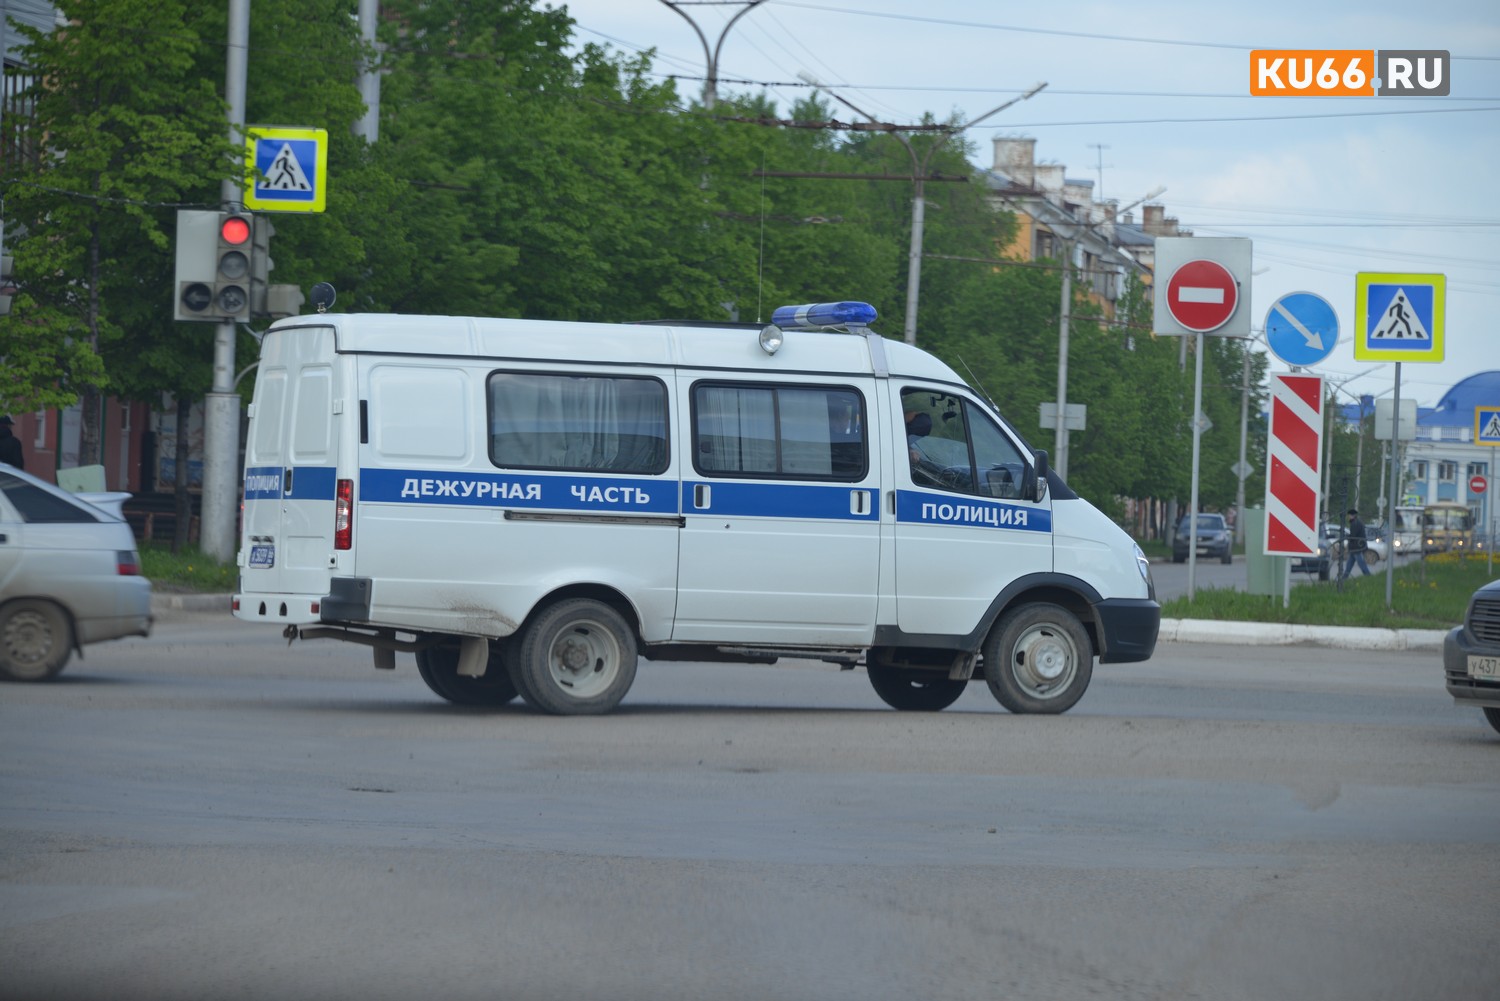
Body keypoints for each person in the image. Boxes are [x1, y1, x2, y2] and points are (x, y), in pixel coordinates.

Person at [1340, 507, 1371, 580]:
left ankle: (1368, 576)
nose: (1348, 517)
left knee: (1361, 564)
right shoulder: (1358, 522)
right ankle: (1344, 578)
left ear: (1352, 516)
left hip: (1357, 548)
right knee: (1349, 564)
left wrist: (1347, 537)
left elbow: (1353, 536)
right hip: (1356, 547)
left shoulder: (1355, 523)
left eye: (1349, 515)